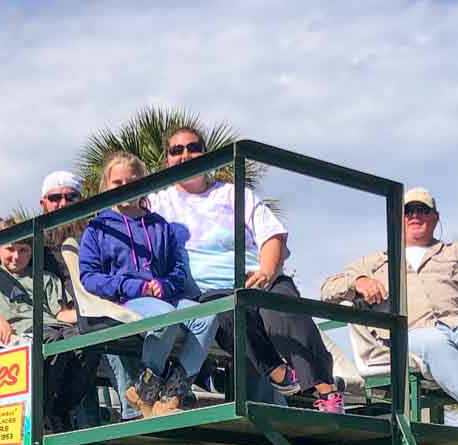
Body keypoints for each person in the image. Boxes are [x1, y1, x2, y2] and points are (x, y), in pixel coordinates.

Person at [150, 124, 342, 410]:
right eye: (176, 150)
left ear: (205, 154)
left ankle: (326, 393)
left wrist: (266, 272)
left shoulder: (233, 193)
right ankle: (278, 372)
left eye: (193, 148)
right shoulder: (158, 202)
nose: (185, 155)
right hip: (207, 290)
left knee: (283, 305)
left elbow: (272, 236)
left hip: (254, 275)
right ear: (167, 159)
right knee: (226, 311)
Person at [321, 187, 458, 424]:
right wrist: (359, 282)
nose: (415, 215)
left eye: (422, 210)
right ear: (399, 219)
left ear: (435, 217)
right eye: (408, 211)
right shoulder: (375, 261)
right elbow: (328, 289)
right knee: (434, 341)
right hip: (406, 335)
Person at [78, 153, 214, 417]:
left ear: (144, 182)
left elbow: (176, 268)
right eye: (117, 182)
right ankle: (148, 391)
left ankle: (169, 393)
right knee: (166, 318)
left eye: (133, 180)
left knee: (208, 316)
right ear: (106, 187)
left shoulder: (159, 224)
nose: (126, 186)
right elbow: (89, 276)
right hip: (127, 299)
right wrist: (134, 287)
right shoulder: (98, 227)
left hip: (164, 295)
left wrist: (164, 285)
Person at [0, 219, 100, 431]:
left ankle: (61, 408)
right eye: (10, 249)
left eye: (23, 250)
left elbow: (60, 314)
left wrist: (93, 314)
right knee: (51, 341)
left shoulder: (45, 277)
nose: (16, 256)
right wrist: (0, 321)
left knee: (91, 341)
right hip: (26, 331)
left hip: (55, 325)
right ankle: (44, 410)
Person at [38, 172, 141, 421]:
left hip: (102, 308)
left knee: (114, 330)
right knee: (82, 344)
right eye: (55, 198)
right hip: (61, 318)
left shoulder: (97, 232)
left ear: (80, 199)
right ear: (43, 203)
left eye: (70, 197)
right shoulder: (35, 243)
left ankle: (135, 412)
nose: (62, 203)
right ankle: (89, 427)